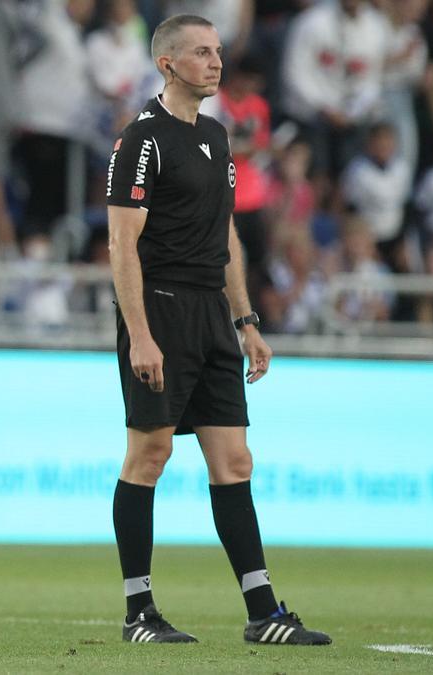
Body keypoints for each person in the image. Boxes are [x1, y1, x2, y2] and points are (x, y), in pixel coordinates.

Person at [105, 14, 331, 646]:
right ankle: (138, 613)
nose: (215, 61)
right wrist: (140, 333)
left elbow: (225, 236)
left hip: (212, 316)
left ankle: (263, 613)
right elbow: (122, 244)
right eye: (201, 52)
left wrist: (247, 321)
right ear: (167, 64)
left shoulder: (218, 137)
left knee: (234, 460)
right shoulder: (140, 140)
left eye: (218, 51)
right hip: (161, 308)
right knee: (149, 455)